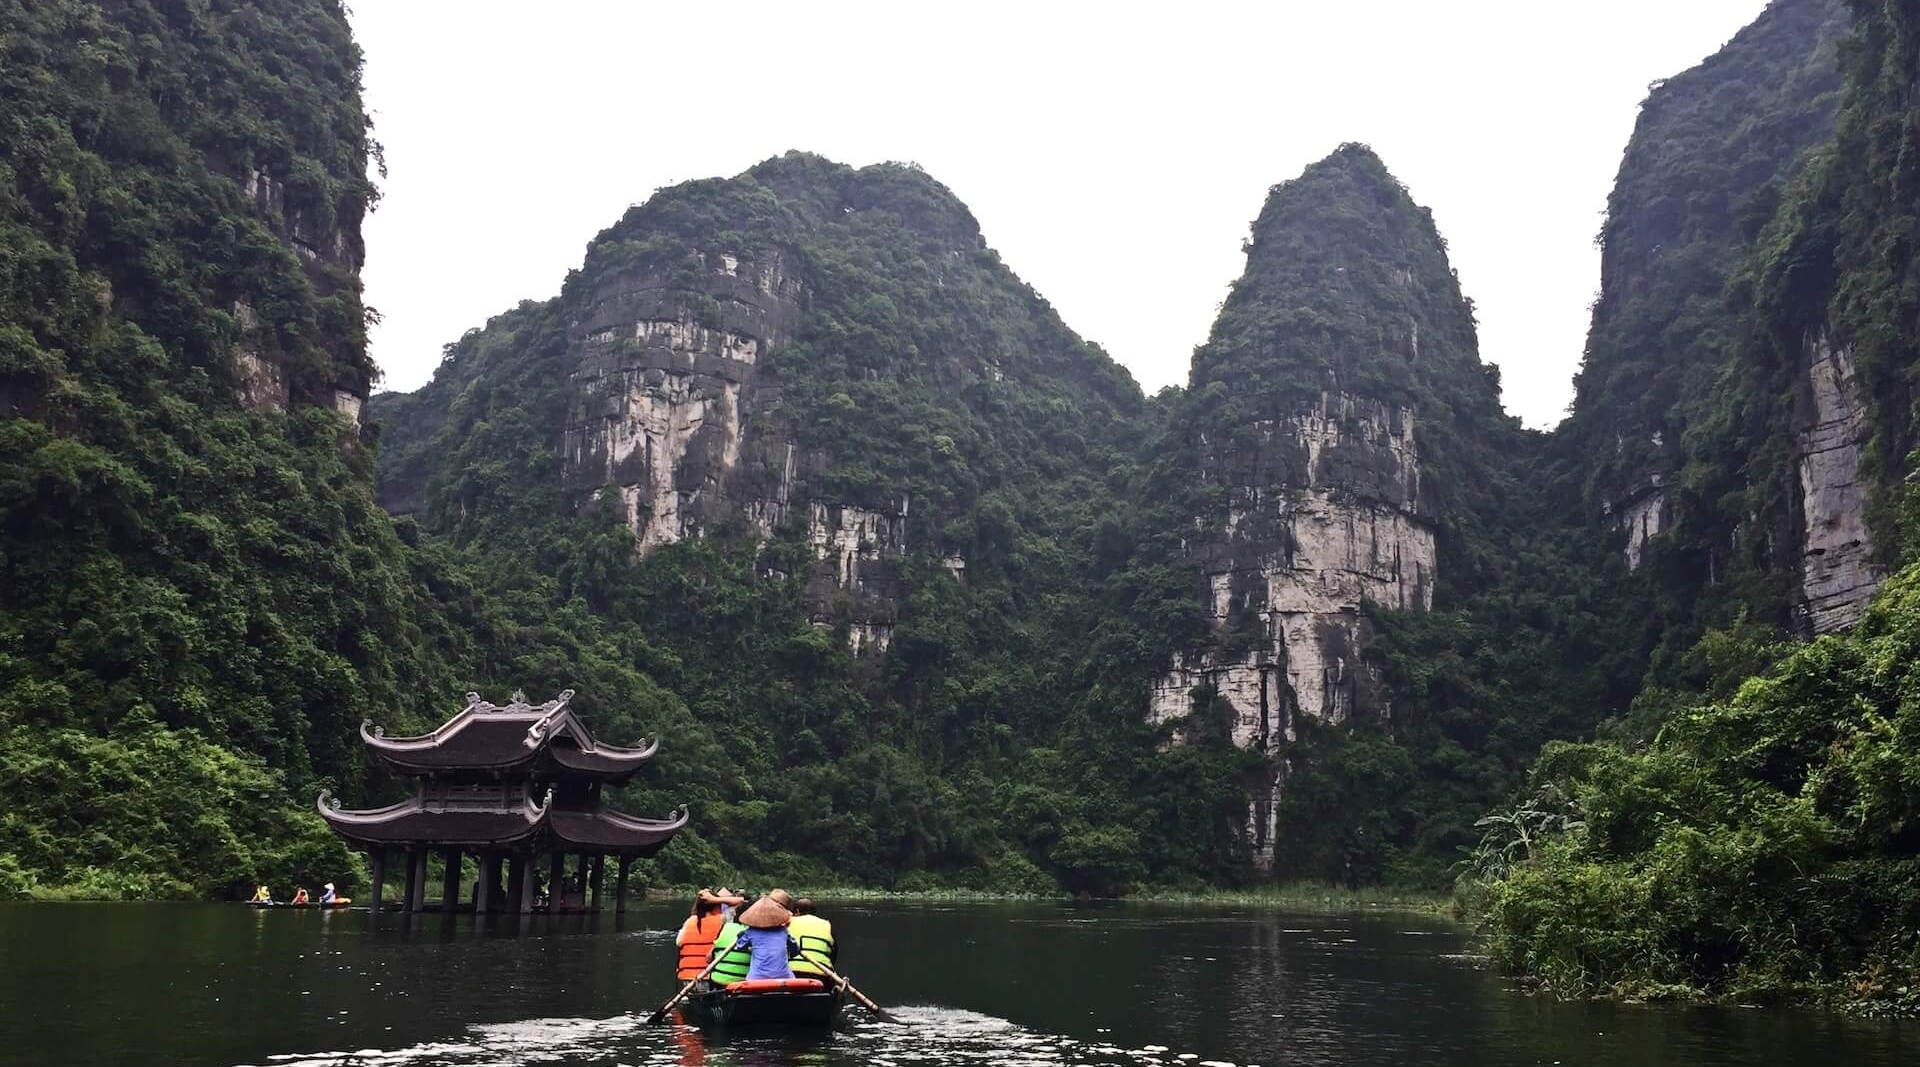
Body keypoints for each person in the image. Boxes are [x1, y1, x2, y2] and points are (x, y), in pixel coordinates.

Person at [730, 893, 800, 981]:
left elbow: (740, 947)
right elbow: (795, 950)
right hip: (784, 977)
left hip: (756, 978)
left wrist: (742, 936)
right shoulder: (783, 931)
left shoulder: (750, 932)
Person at [675, 890, 730, 981]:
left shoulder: (689, 921)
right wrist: (717, 899)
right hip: (710, 976)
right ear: (716, 905)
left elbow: (678, 942)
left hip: (687, 976)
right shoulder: (721, 919)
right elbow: (740, 903)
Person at [787, 898, 836, 981]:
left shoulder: (787, 922)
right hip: (822, 974)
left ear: (797, 911)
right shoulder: (825, 925)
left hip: (791, 973)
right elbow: (833, 955)